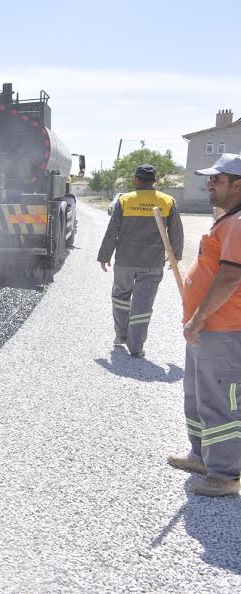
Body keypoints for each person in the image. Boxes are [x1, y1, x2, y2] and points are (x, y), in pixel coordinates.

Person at [168, 153, 241, 497]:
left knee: (219, 401)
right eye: (209, 179)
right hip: (205, 329)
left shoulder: (238, 223)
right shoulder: (226, 219)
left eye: (217, 180)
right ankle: (201, 455)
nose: (208, 184)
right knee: (196, 395)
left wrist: (197, 318)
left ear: (238, 185)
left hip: (222, 329)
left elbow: (229, 278)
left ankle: (225, 474)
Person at [97, 164, 184, 358]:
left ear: (136, 180)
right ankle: (136, 348)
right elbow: (176, 232)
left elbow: (113, 231)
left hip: (124, 262)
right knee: (143, 305)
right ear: (155, 181)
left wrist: (104, 256)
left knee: (120, 298)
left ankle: (121, 336)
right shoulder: (167, 201)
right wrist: (175, 256)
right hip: (152, 264)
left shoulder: (125, 200)